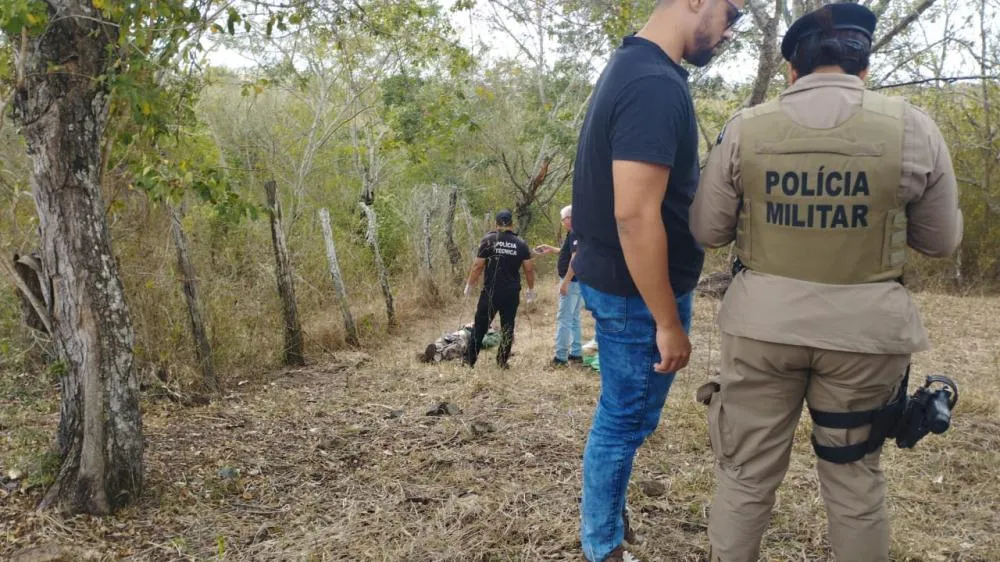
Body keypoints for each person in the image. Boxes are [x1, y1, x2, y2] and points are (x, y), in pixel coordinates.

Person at [689, 4, 963, 561]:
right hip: (867, 339)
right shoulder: (913, 127)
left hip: (763, 331)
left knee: (744, 475)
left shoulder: (747, 127)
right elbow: (940, 240)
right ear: (864, 69)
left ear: (792, 71)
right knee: (855, 479)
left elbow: (707, 229)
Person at [569, 0, 743, 559]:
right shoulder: (653, 83)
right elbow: (634, 214)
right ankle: (604, 545)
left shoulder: (634, 66)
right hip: (636, 295)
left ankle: (608, 521)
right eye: (731, 11)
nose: (731, 30)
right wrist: (668, 320)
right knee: (623, 422)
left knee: (623, 417)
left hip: (623, 284)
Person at [463, 210, 536, 369]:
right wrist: (531, 290)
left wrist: (469, 285)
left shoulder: (489, 240)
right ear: (511, 224)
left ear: (496, 224)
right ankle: (502, 362)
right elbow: (529, 269)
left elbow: (477, 266)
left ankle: (469, 361)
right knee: (508, 327)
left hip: (491, 292)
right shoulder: (521, 243)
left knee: (481, 325)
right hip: (511, 293)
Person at [535, 205, 585, 367]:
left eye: (563, 219)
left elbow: (575, 258)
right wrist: (551, 249)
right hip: (579, 282)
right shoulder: (577, 233)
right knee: (574, 318)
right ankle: (576, 353)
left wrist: (565, 282)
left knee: (564, 319)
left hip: (572, 282)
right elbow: (568, 252)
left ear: (570, 218)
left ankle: (560, 357)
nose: (562, 223)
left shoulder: (575, 233)